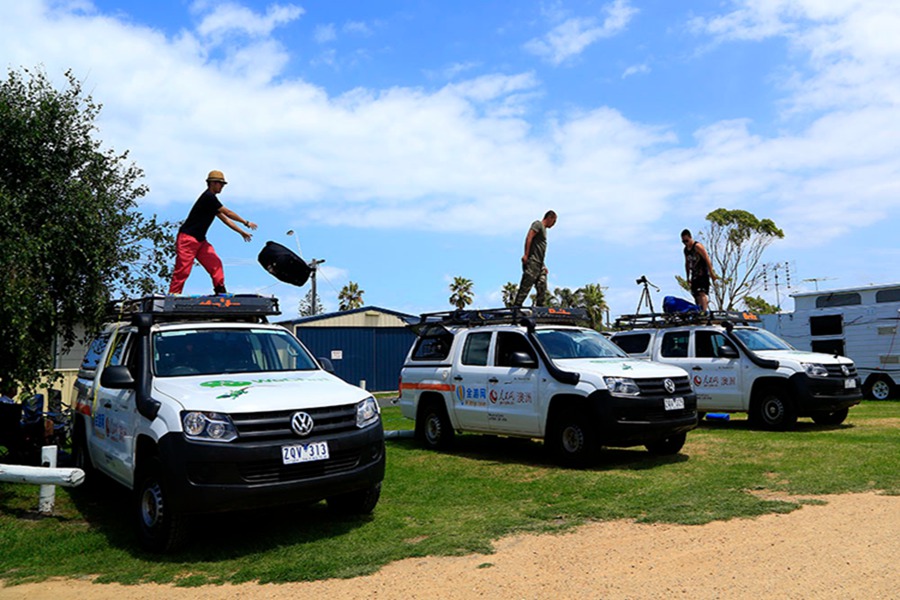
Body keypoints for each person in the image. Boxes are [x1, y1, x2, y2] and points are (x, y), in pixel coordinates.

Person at [169, 170, 257, 295]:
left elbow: (225, 220)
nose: (222, 187)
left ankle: (220, 291)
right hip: (187, 239)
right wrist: (246, 222)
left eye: (223, 184)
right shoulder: (208, 197)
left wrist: (241, 232)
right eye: (220, 184)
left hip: (201, 241)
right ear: (212, 183)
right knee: (183, 269)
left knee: (215, 264)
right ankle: (173, 294)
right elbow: (228, 213)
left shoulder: (211, 202)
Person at [513, 211, 557, 306]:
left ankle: (540, 307)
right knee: (526, 285)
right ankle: (517, 306)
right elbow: (529, 237)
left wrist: (543, 265)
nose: (553, 224)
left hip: (540, 264)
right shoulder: (538, 224)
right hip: (532, 261)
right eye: (554, 221)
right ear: (550, 218)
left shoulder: (544, 230)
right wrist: (526, 255)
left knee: (542, 285)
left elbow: (539, 250)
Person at [681, 228, 717, 311]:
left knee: (701, 292)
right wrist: (688, 277)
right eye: (683, 241)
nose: (685, 243)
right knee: (696, 294)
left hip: (702, 273)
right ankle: (699, 310)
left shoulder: (697, 246)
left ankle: (704, 311)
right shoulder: (686, 250)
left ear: (690, 237)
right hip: (694, 274)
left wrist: (711, 273)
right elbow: (687, 263)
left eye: (686, 241)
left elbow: (707, 259)